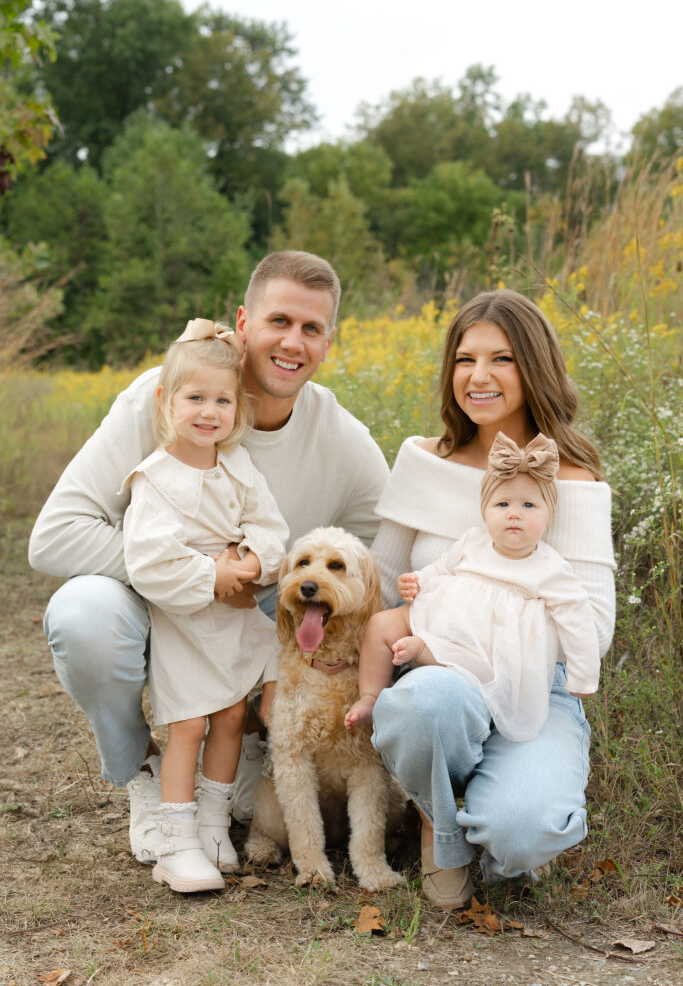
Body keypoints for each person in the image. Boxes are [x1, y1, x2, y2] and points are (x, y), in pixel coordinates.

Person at [28, 250, 390, 865]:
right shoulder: (170, 396)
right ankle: (141, 770)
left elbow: (382, 563)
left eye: (311, 328)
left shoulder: (344, 441)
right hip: (156, 607)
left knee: (255, 810)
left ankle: (250, 738)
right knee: (82, 615)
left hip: (257, 630)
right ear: (244, 322)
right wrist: (199, 574)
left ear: (330, 341)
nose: (292, 342)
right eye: (279, 321)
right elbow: (55, 535)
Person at [368, 289, 615, 911]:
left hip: (534, 683)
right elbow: (381, 581)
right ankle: (438, 827)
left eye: (501, 359)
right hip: (433, 672)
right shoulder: (422, 458)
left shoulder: (575, 482)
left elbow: (596, 627)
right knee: (431, 699)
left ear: (534, 369)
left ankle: (489, 808)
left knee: (525, 832)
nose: (478, 377)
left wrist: (481, 617)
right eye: (464, 358)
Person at [122, 319, 289, 892]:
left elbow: (271, 527)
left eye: (222, 400)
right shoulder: (156, 479)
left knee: (229, 716)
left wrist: (250, 559)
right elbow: (148, 562)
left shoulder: (237, 464)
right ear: (167, 401)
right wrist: (210, 574)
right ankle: (177, 840)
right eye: (195, 398)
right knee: (189, 721)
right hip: (187, 620)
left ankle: (216, 826)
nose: (209, 412)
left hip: (235, 620)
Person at [345, 432, 600, 741]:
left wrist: (583, 678)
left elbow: (578, 619)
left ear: (549, 518)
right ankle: (370, 696)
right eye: (502, 503)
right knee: (382, 623)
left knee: (481, 668)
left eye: (530, 505)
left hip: (490, 646)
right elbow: (442, 567)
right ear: (485, 511)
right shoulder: (473, 541)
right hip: (444, 615)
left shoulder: (551, 569)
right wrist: (417, 581)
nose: (514, 513)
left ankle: (424, 652)